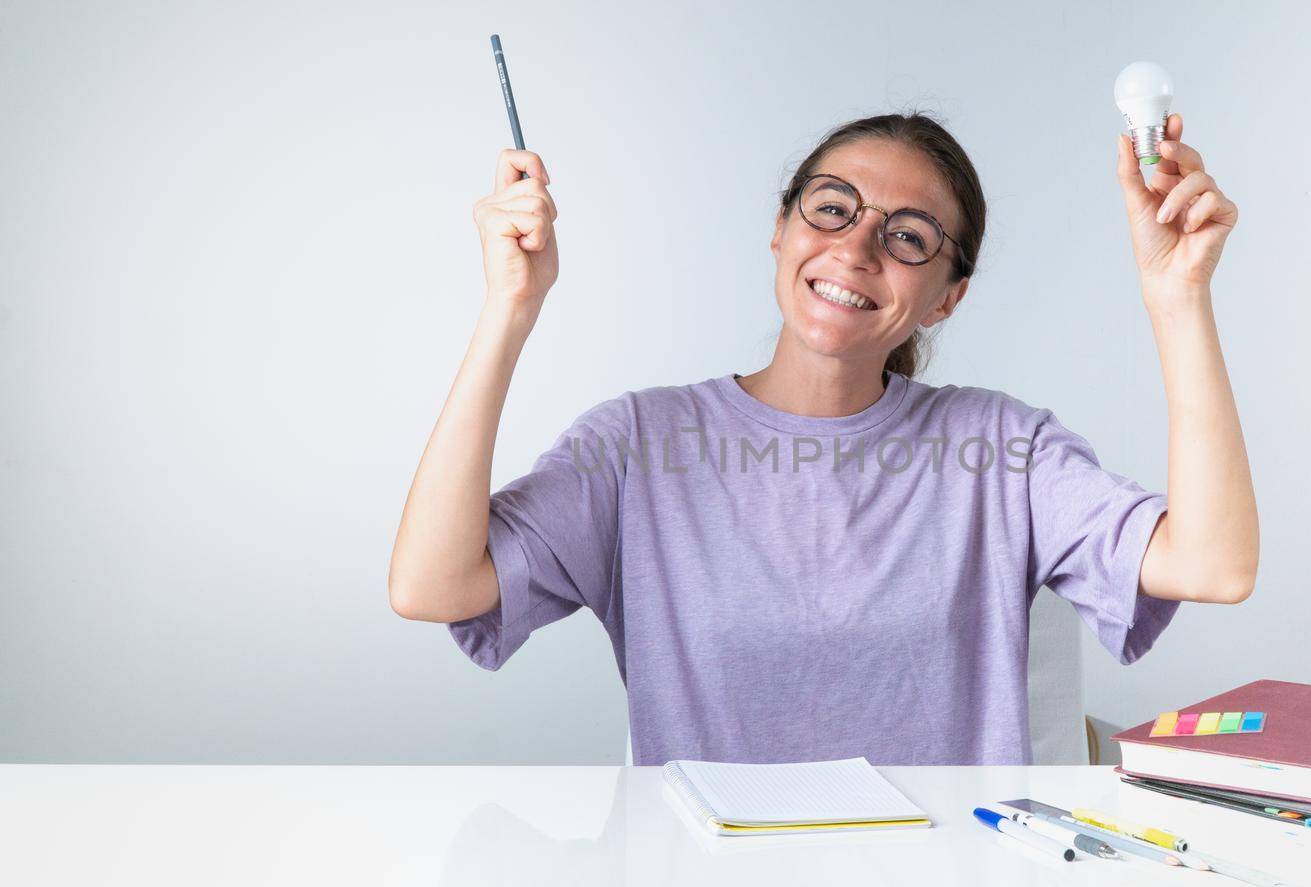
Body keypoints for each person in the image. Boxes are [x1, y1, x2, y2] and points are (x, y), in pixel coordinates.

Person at [388, 112, 1258, 765]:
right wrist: (511, 306)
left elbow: (1213, 565)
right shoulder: (638, 445)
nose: (856, 248)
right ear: (781, 229)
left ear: (948, 296)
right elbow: (433, 587)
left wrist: (1177, 297)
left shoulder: (1003, 448)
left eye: (909, 236)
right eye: (832, 208)